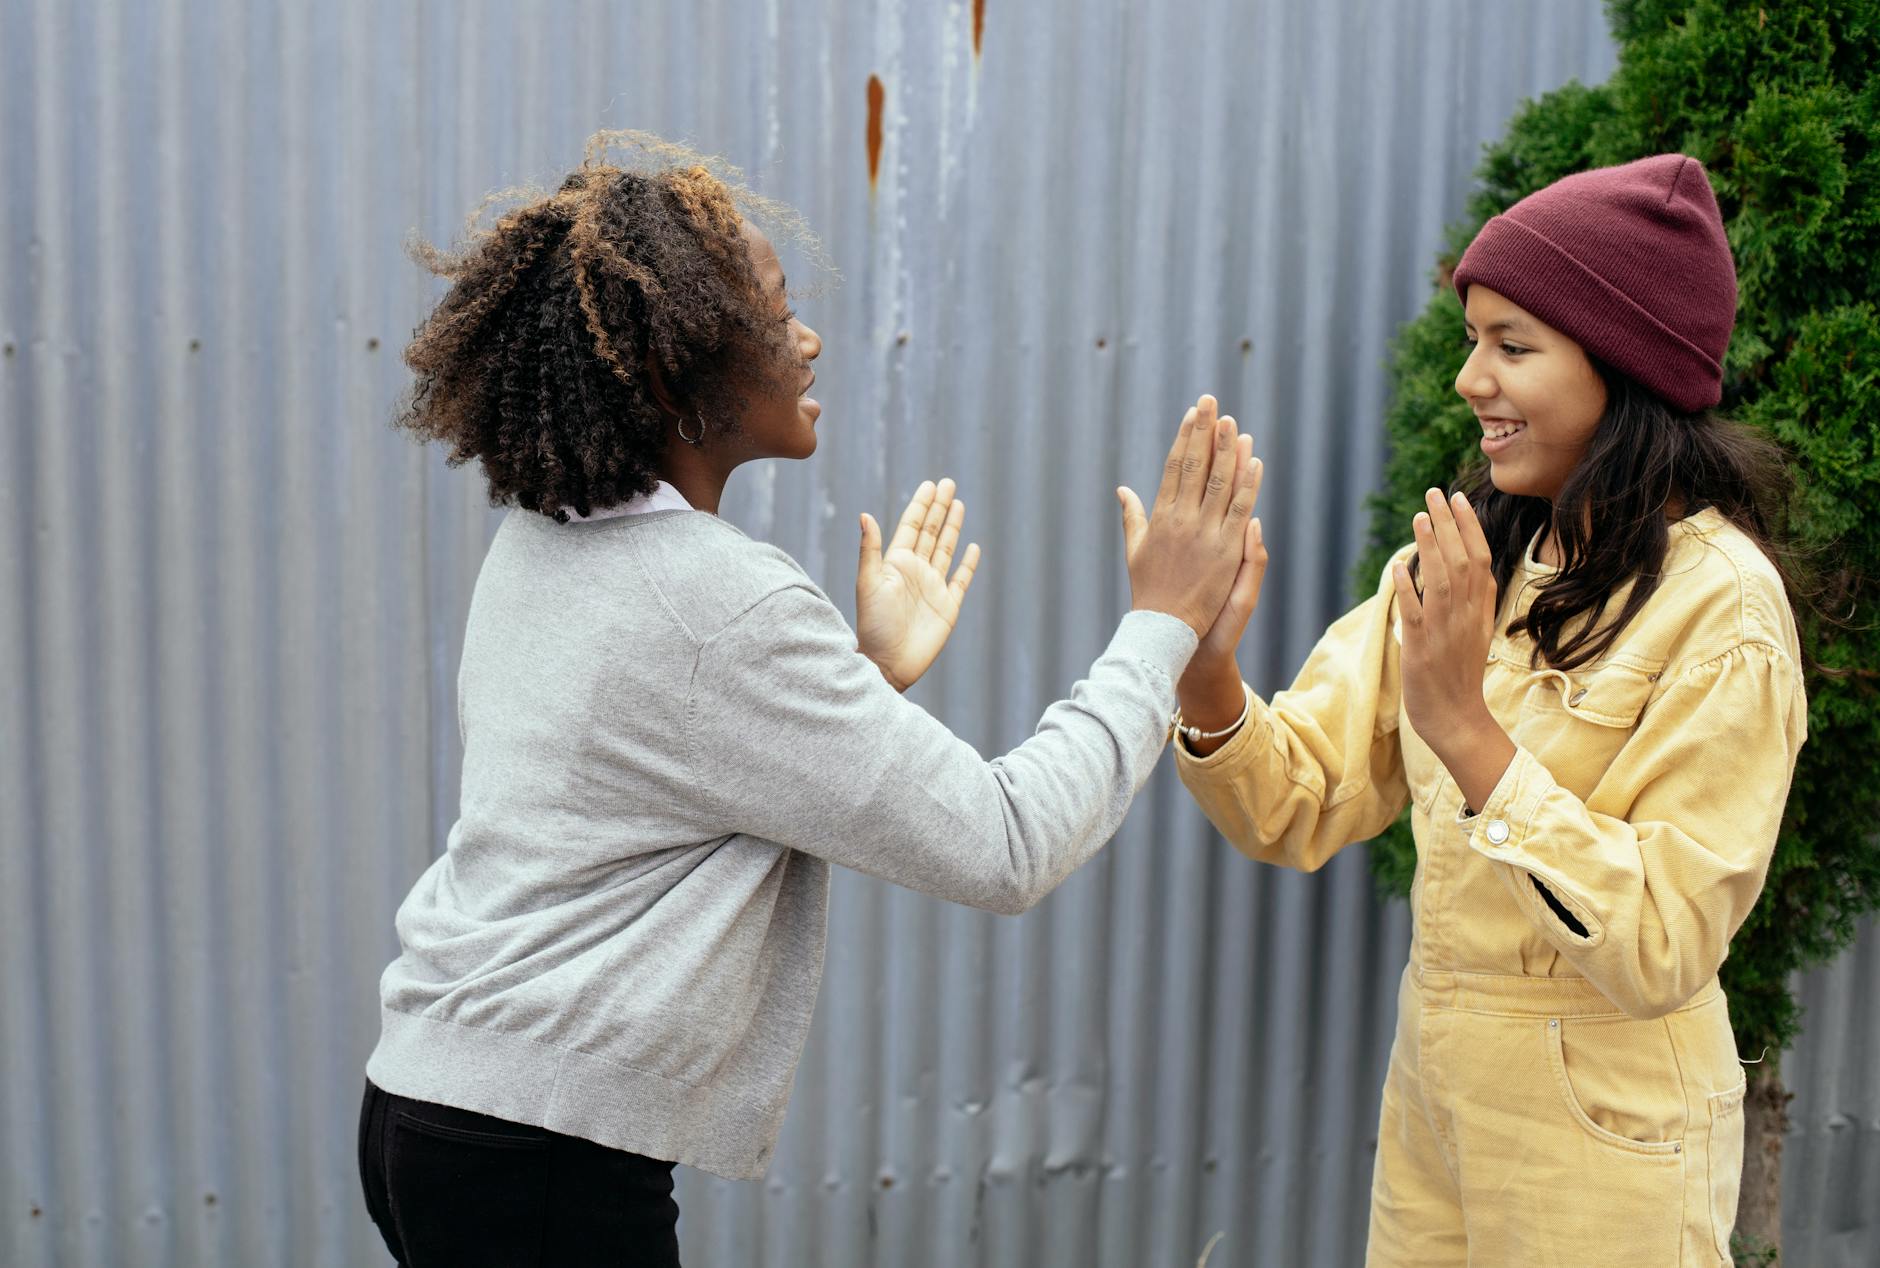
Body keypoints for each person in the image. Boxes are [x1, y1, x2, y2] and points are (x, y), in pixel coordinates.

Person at [355, 132, 1264, 1267]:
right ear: (678, 369)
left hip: (431, 1106)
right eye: (776, 315)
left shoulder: (548, 541)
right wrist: (1161, 625)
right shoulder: (718, 601)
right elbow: (1005, 844)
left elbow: (656, 781)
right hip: (538, 1155)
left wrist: (862, 679)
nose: (809, 339)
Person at [1168, 154, 1808, 1265]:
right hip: (1436, 1088)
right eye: (1472, 339)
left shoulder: (1724, 609)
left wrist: (1467, 730)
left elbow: (1661, 936)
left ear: (1626, 366)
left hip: (1608, 1125)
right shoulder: (1475, 551)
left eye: (1512, 346)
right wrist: (1204, 668)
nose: (1469, 379)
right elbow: (1297, 801)